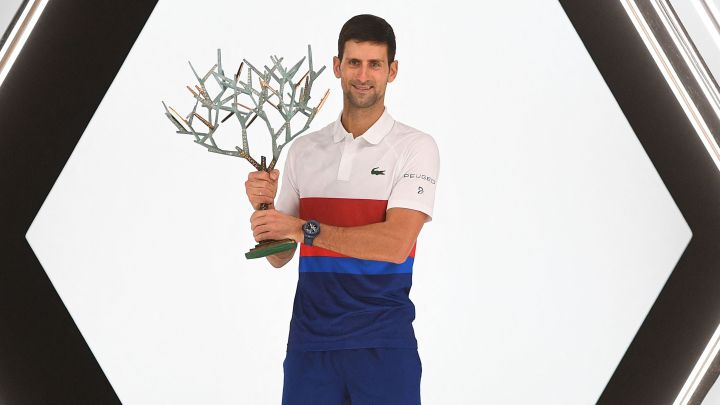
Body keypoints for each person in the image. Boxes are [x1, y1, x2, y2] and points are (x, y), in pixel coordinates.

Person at [245, 14, 439, 405]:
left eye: (374, 64)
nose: (363, 75)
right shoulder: (304, 150)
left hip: (383, 344)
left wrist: (304, 229)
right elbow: (280, 256)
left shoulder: (415, 147)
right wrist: (264, 209)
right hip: (309, 346)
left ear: (392, 71)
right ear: (337, 66)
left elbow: (396, 244)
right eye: (354, 62)